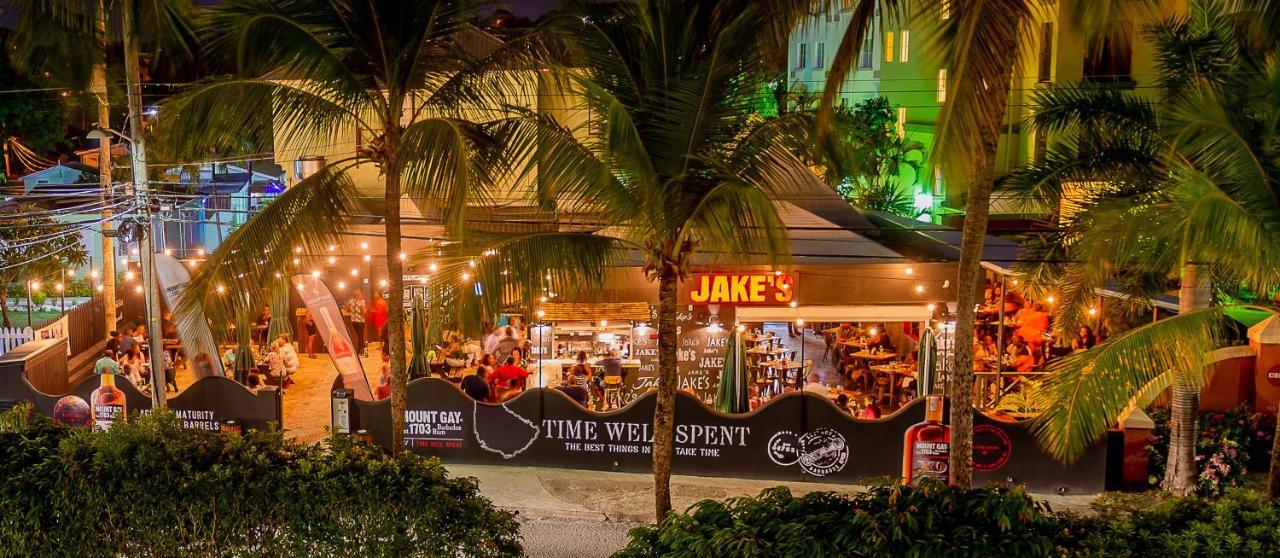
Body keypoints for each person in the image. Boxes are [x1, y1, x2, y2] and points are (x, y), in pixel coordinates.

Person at [345, 291, 367, 357]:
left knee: (358, 335)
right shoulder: (362, 302)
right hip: (360, 321)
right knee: (360, 336)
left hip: (353, 321)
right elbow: (364, 311)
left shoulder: (351, 301)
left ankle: (362, 348)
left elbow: (347, 310)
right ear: (359, 295)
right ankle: (359, 352)